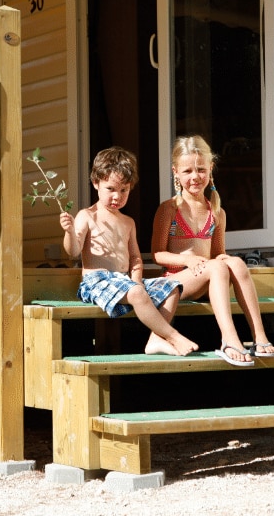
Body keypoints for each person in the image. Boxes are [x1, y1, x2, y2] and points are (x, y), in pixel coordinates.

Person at [60, 146, 199, 357]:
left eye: (124, 190)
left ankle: (156, 340)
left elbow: (135, 258)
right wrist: (69, 231)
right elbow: (73, 251)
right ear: (96, 183)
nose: (117, 196)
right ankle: (173, 336)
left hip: (125, 283)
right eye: (111, 189)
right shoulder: (87, 216)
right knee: (135, 292)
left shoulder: (128, 222)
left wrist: (137, 281)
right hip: (97, 282)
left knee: (172, 287)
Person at [151, 135, 274, 366]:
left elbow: (217, 252)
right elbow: (157, 254)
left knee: (236, 262)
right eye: (187, 171)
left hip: (206, 277)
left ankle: (259, 336)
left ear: (211, 168)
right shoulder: (169, 209)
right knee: (219, 265)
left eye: (200, 169)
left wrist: (224, 258)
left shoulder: (217, 212)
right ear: (175, 172)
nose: (195, 177)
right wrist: (186, 261)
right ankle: (229, 338)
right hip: (176, 280)